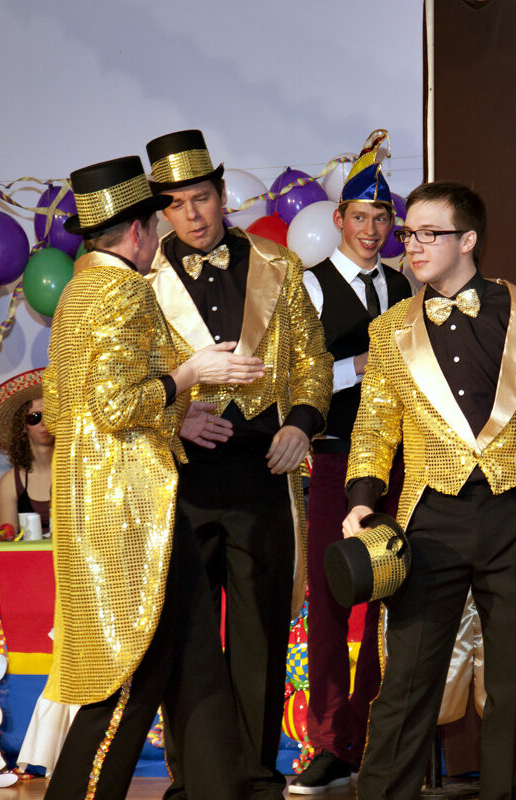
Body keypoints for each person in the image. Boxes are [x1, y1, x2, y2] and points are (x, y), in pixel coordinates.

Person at [342, 181, 516, 800]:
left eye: (428, 234)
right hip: (429, 521)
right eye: (408, 234)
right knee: (406, 679)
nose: (412, 245)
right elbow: (374, 426)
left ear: (468, 241)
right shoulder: (390, 330)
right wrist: (361, 499)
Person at [41, 155, 252, 800]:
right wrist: (190, 375)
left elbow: (66, 406)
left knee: (195, 659)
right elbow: (115, 404)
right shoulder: (123, 291)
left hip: (119, 500)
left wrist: (176, 419)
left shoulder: (78, 289)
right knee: (132, 674)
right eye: (156, 221)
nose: (161, 232)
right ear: (136, 231)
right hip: (131, 510)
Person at [143, 129, 333, 800]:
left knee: (261, 634)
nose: (192, 215)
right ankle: (194, 781)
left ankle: (254, 779)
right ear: (160, 212)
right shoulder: (139, 279)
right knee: (185, 636)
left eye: (201, 198)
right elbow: (125, 382)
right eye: (175, 205)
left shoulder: (279, 263)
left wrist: (302, 423)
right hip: (179, 475)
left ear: (223, 194)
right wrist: (173, 416)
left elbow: (313, 362)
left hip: (263, 473)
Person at [293, 131, 413, 794]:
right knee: (333, 599)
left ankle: (373, 735)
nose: (371, 230)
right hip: (335, 460)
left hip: (396, 462)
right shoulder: (310, 287)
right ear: (339, 219)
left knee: (393, 595)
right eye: (360, 217)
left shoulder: (401, 285)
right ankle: (331, 741)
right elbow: (295, 380)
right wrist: (361, 366)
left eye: (381, 219)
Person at [0, 368, 51, 534]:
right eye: (34, 417)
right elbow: (7, 541)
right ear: (22, 426)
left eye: (50, 415)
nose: (44, 423)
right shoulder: (10, 482)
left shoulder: (81, 471)